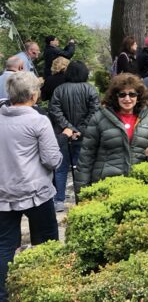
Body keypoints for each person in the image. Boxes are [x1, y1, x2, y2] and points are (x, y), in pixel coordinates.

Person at [0, 72, 62, 302]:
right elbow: (51, 159)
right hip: (36, 191)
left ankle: (3, 294)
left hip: (3, 192)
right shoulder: (37, 120)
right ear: (33, 95)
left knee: (4, 245)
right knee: (47, 241)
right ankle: (49, 286)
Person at [74, 73, 148, 193]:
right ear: (115, 97)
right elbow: (86, 157)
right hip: (106, 184)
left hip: (138, 185)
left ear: (138, 96)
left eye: (132, 94)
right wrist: (82, 192)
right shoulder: (99, 118)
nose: (127, 99)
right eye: (122, 94)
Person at [48, 61, 100, 212]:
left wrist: (68, 128)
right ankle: (85, 197)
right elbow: (94, 111)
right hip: (86, 135)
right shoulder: (90, 89)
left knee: (61, 168)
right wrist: (80, 130)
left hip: (63, 135)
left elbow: (54, 110)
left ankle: (59, 200)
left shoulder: (59, 90)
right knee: (84, 167)